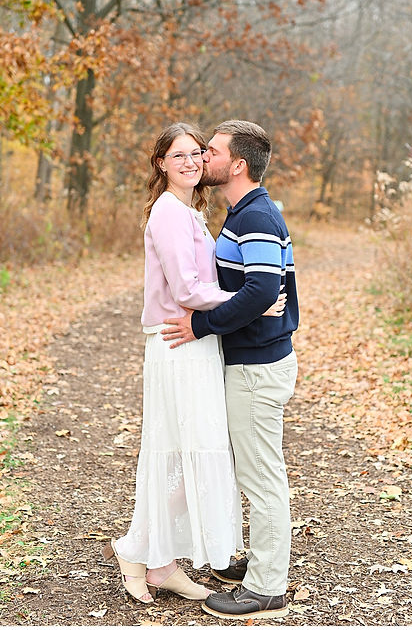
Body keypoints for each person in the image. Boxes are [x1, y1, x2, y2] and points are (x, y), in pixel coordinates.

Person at [105, 122, 285, 605]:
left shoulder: (191, 212)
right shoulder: (167, 213)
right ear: (161, 163)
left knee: (194, 453)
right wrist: (247, 299)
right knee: (186, 451)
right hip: (178, 343)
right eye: (179, 155)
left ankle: (160, 562)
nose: (191, 161)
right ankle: (138, 548)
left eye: (198, 152)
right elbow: (185, 291)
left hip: (198, 343)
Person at [162, 119, 299, 620]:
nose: (202, 157)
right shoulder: (243, 212)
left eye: (212, 151)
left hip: (259, 367)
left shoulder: (257, 216)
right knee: (253, 468)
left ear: (236, 164)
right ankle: (262, 563)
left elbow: (263, 291)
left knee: (263, 476)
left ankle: (267, 586)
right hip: (250, 362)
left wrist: (201, 326)